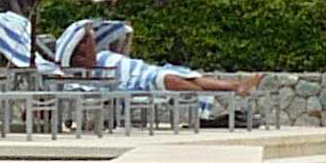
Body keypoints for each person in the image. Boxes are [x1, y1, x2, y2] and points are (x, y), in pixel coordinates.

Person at [58, 18, 264, 97]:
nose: (89, 44)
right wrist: (89, 37)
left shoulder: (101, 53)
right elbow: (92, 67)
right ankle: (227, 90)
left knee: (185, 75)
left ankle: (235, 87)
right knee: (168, 79)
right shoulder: (82, 63)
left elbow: (123, 55)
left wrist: (122, 32)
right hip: (135, 82)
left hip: (143, 70)